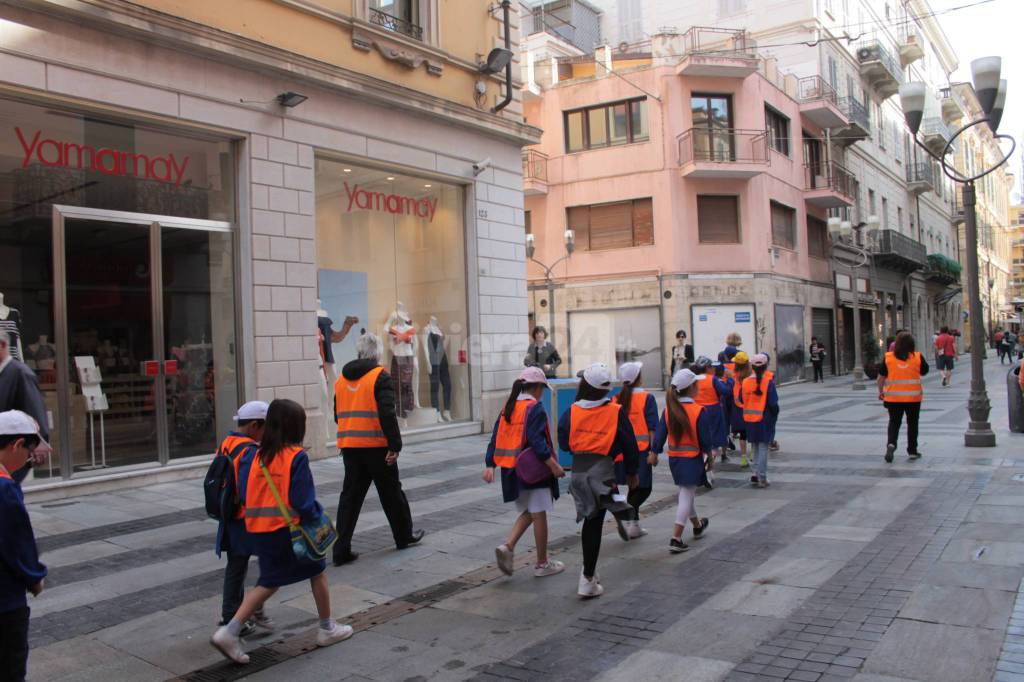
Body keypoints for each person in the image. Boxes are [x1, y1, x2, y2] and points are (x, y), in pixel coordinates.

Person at [211, 399, 353, 664]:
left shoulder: (257, 455)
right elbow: (302, 502)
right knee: (315, 572)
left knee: (271, 581)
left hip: (260, 530)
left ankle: (231, 630)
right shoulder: (295, 457)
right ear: (295, 426)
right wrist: (317, 516)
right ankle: (326, 628)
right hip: (288, 530)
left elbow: (245, 493)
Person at [332, 334, 423, 566]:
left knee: (349, 499)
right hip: (376, 448)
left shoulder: (341, 378)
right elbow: (387, 413)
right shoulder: (379, 376)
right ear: (377, 353)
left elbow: (336, 414)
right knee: (392, 493)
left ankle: (341, 550)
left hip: (350, 447)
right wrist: (395, 445)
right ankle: (403, 536)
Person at [558, 363, 640, 599]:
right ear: (605, 389)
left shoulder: (572, 411)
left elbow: (563, 441)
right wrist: (632, 472)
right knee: (594, 523)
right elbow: (629, 444)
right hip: (603, 469)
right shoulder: (614, 411)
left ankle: (621, 512)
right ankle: (587, 578)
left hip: (580, 472)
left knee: (594, 515)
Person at [484, 367, 566, 578]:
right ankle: (542, 563)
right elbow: (538, 443)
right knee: (539, 514)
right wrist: (553, 466)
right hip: (532, 470)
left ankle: (508, 547)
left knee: (531, 511)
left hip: (511, 471)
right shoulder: (533, 408)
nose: (542, 393)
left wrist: (490, 465)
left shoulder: (509, 406)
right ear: (537, 387)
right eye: (542, 389)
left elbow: (495, 437)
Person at [214, 401, 272, 637]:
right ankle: (245, 611)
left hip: (229, 516)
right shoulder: (248, 451)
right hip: (243, 519)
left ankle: (236, 613)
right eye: (266, 428)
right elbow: (250, 488)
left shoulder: (228, 442)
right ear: (256, 426)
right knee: (265, 562)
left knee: (236, 566)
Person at [0, 411, 49, 682]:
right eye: (29, 452)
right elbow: (17, 542)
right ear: (16, 444)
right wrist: (34, 577)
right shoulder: (4, 487)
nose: (28, 460)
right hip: (5, 601)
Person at [650, 369, 713, 553]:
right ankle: (676, 537)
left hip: (675, 460)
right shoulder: (698, 411)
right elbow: (705, 439)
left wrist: (654, 453)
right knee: (686, 495)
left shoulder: (670, 410)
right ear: (692, 388)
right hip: (692, 459)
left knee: (687, 492)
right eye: (697, 383)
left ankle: (697, 525)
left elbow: (660, 435)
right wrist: (709, 456)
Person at [613, 361, 658, 536]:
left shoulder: (616, 398)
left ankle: (634, 526)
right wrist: (654, 451)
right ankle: (627, 509)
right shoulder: (647, 397)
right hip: (641, 450)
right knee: (643, 488)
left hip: (620, 451)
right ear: (638, 378)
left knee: (633, 486)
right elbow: (652, 426)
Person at [0, 332, 49, 485]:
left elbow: (35, 409)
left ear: (2, 345)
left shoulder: (20, 373)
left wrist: (39, 445)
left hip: (14, 450)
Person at [877, 331, 928, 463]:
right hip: (913, 399)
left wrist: (880, 391)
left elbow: (880, 378)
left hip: (893, 398)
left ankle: (891, 444)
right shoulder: (917, 357)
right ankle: (912, 451)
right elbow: (925, 371)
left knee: (894, 422)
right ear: (912, 344)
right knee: (912, 423)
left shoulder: (888, 358)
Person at [741, 354, 778, 488]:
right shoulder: (768, 382)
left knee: (755, 447)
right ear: (766, 366)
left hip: (749, 419)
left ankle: (756, 473)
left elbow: (741, 399)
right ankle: (762, 477)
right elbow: (773, 404)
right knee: (762, 447)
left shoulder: (745, 382)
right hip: (764, 418)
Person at [690, 357, 728, 459]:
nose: (714, 369)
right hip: (713, 410)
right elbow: (725, 391)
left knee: (699, 433)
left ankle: (702, 454)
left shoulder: (693, 378)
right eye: (712, 366)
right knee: (714, 437)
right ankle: (710, 458)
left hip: (696, 410)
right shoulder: (712, 379)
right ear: (707, 368)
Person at [725, 352, 751, 468]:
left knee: (742, 434)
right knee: (751, 432)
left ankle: (744, 457)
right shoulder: (751, 373)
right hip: (750, 407)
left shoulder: (733, 373)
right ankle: (752, 454)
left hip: (737, 407)